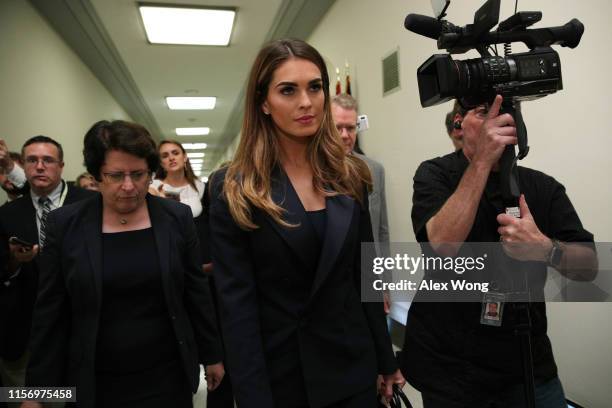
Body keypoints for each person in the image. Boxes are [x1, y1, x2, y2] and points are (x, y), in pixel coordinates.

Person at [208, 38, 404, 408]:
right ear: (263, 102)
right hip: (283, 378)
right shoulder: (235, 188)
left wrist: (386, 360)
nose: (306, 102)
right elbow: (237, 309)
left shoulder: (351, 175)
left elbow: (366, 278)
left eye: (315, 87)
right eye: (288, 90)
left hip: (352, 369)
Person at [402, 95, 597, 407]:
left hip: (525, 362)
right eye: (484, 112)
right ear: (457, 127)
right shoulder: (435, 175)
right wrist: (481, 160)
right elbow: (441, 245)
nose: (501, 118)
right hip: (451, 366)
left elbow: (590, 267)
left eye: (509, 111)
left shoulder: (542, 188)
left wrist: (547, 249)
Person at [21, 120, 224, 408]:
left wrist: (212, 354)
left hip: (166, 376)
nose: (128, 186)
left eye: (139, 174)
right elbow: (50, 311)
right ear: (96, 176)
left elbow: (195, 291)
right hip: (92, 379)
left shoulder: (176, 218)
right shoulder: (65, 224)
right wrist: (35, 395)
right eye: (115, 175)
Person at [0, 136, 95, 403]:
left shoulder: (89, 204)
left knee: (77, 398)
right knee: (29, 400)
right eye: (32, 160)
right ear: (24, 165)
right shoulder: (8, 214)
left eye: (48, 160)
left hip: (81, 326)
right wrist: (16, 261)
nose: (40, 166)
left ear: (61, 166)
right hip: (25, 331)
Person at [331, 94, 391, 314]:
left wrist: (385, 285)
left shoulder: (374, 170)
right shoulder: (311, 171)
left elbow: (382, 232)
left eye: (351, 128)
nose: (345, 135)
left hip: (369, 279)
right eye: (338, 128)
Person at [149, 140, 204, 218]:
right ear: (161, 163)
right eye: (165, 156)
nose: (171, 158)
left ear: (185, 157)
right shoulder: (153, 187)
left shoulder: (199, 185)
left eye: (175, 153)